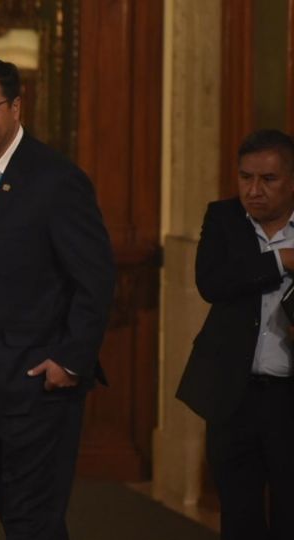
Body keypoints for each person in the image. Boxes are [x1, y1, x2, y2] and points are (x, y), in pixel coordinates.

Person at [0, 56, 115, 539]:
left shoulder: (56, 179)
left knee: (31, 520)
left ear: (16, 107)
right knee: (20, 516)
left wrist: (69, 362)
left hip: (41, 384)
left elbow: (95, 280)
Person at [177, 129, 294, 540]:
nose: (254, 190)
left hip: (288, 398)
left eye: (268, 179)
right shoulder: (224, 218)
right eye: (246, 178)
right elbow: (214, 281)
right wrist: (281, 259)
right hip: (234, 396)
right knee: (239, 516)